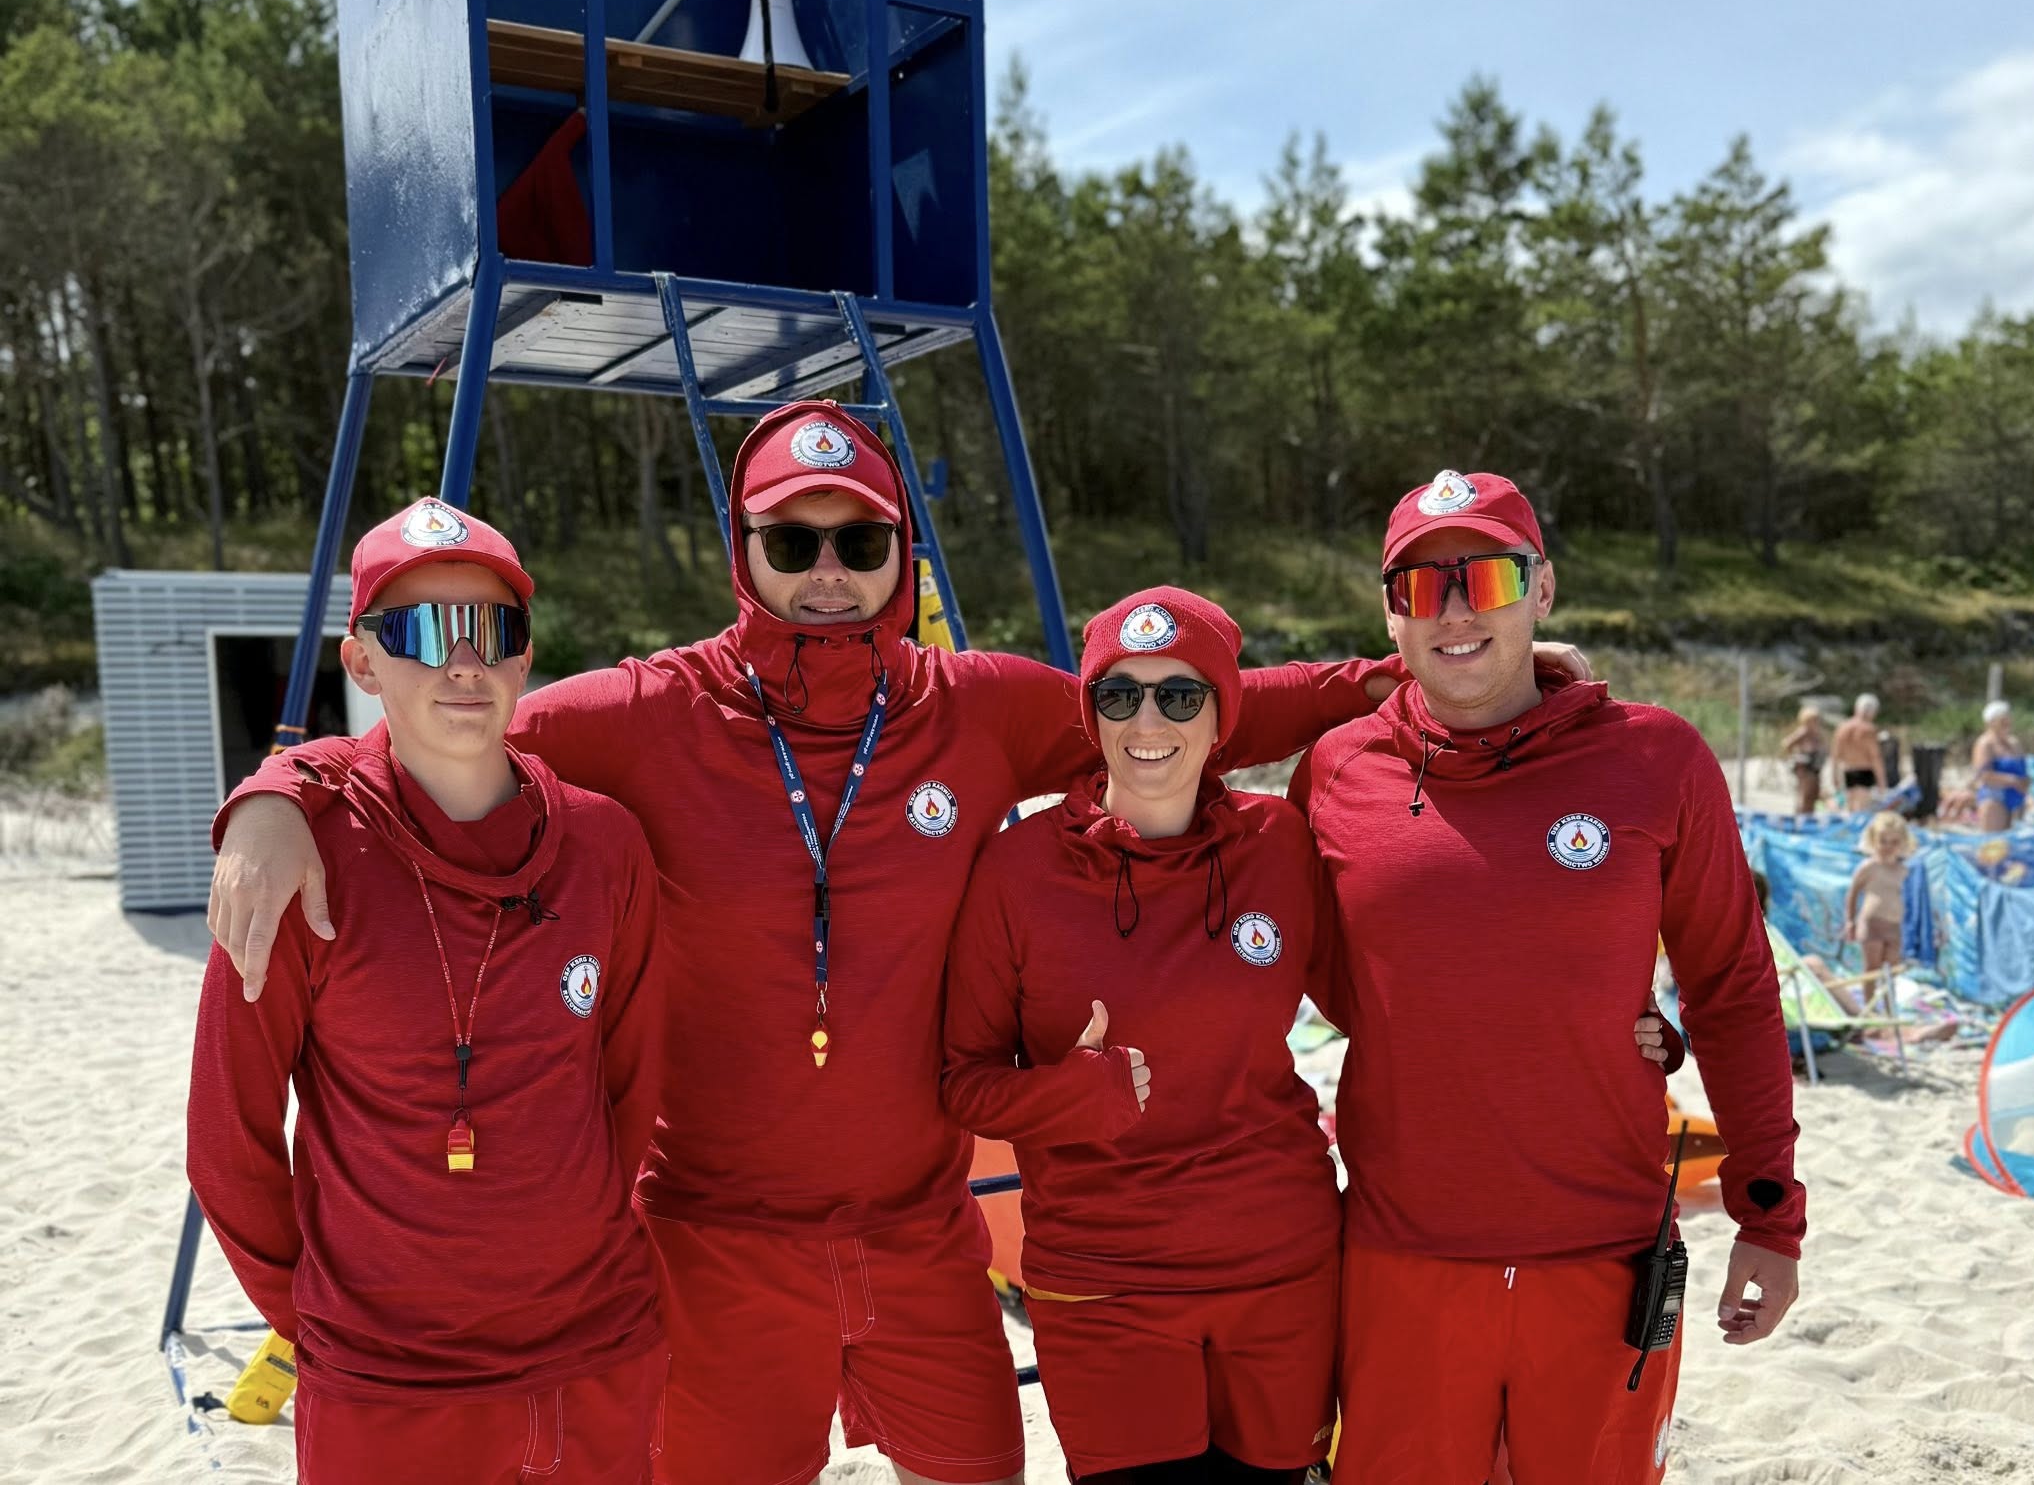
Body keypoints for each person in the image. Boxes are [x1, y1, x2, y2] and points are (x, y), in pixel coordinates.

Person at [210, 407, 1602, 1485]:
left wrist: (1413, 671)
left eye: (858, 542)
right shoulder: (645, 712)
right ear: (742, 550)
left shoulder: (973, 708)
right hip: (714, 1239)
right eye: (793, 542)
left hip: (922, 1233)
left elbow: (1188, 704)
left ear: (901, 556)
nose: (827, 573)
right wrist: (282, 785)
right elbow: (452, 726)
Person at [942, 587, 1676, 1485]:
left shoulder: (1279, 842)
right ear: (1089, 714)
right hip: (1107, 1280)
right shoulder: (1016, 871)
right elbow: (962, 1083)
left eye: (1181, 696)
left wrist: (1617, 1022)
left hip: (1283, 1269)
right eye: (1119, 695)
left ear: (1223, 717)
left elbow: (1408, 977)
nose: (1148, 721)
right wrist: (1067, 1096)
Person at [1291, 469, 1805, 1485]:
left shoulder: (1655, 758)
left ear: (1543, 588)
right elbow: (1336, 982)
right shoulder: (1338, 768)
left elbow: (1733, 988)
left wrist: (1769, 1215)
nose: (1452, 611)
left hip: (1604, 1254)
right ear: (1389, 613)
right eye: (1418, 587)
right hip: (1400, 1258)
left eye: (1484, 578)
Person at [186, 499, 666, 1485]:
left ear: (526, 654)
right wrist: (321, 1318)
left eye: (493, 628)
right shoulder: (299, 859)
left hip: (595, 1351)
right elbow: (227, 1136)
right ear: (361, 662)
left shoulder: (606, 843)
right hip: (384, 1385)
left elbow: (630, 1086)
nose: (464, 662)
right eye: (420, 631)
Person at [1843, 811, 1913, 1003]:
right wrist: (1850, 921)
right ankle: (1869, 1006)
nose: (1888, 847)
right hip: (1871, 923)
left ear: (1903, 843)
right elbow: (1853, 893)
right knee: (1872, 968)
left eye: (1894, 842)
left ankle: (1889, 1007)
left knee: (1891, 971)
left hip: (1895, 926)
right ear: (1873, 840)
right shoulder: (1869, 867)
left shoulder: (1904, 871)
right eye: (1883, 841)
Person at [1971, 700, 2029, 832]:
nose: (2007, 722)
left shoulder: (2014, 743)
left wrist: (2025, 782)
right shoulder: (1985, 744)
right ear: (1991, 722)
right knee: (1995, 841)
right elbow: (1983, 775)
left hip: (2017, 796)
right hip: (1995, 797)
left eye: (2008, 718)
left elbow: (2023, 770)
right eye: (2002, 719)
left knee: (2016, 841)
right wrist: (2012, 781)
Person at [1831, 694, 1884, 812]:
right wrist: (1882, 782)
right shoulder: (1868, 729)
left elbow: (1835, 755)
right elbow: (1875, 757)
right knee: (1861, 811)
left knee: (1850, 810)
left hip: (1847, 771)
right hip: (1864, 772)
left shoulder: (1842, 728)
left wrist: (1834, 776)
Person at [1780, 706, 1827, 815]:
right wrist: (1796, 755)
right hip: (1805, 766)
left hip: (1815, 766)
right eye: (1813, 720)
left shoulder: (1816, 733)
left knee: (1814, 793)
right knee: (1805, 793)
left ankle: (1809, 814)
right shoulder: (1804, 731)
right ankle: (1801, 815)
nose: (1815, 723)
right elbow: (1787, 744)